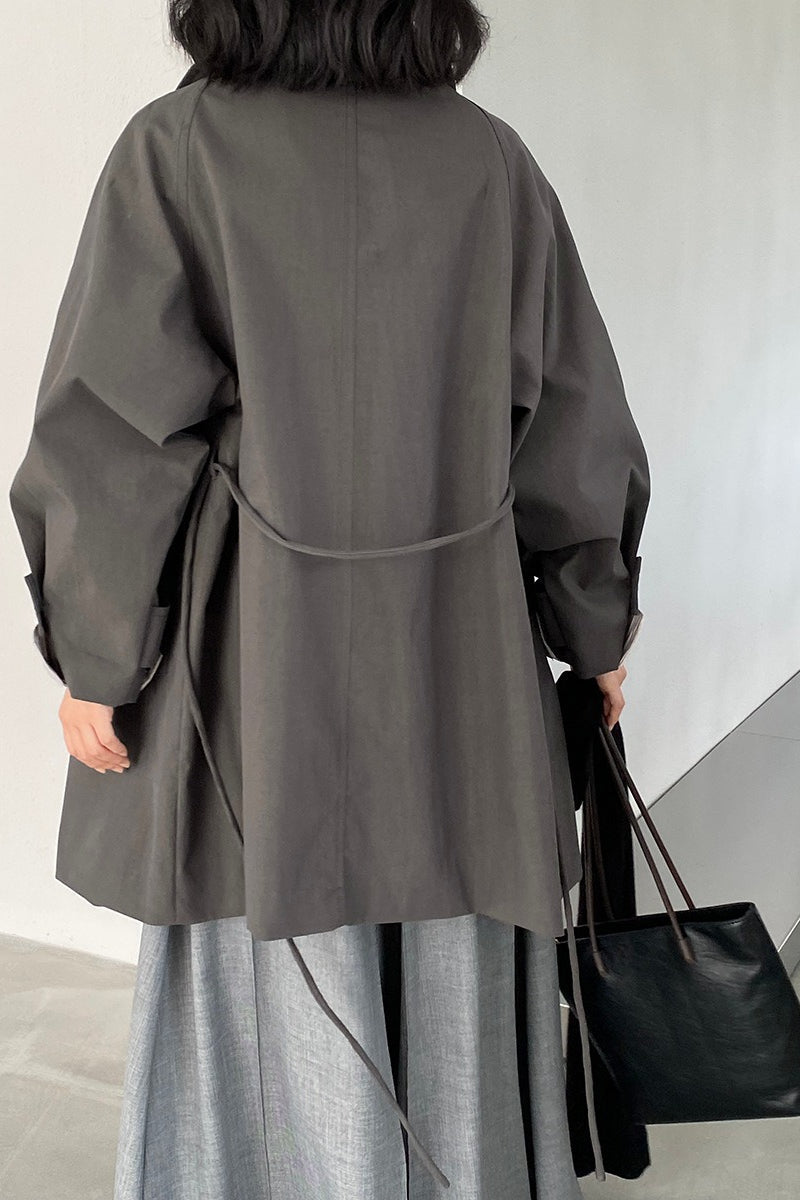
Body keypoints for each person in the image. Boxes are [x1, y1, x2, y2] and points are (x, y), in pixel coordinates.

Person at [8, 1, 650, 1195]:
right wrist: (593, 628)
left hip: (253, 667)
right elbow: (569, 429)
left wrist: (99, 658)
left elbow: (113, 437)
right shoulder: (487, 159)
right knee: (456, 896)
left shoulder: (176, 149)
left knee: (258, 921)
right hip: (457, 657)